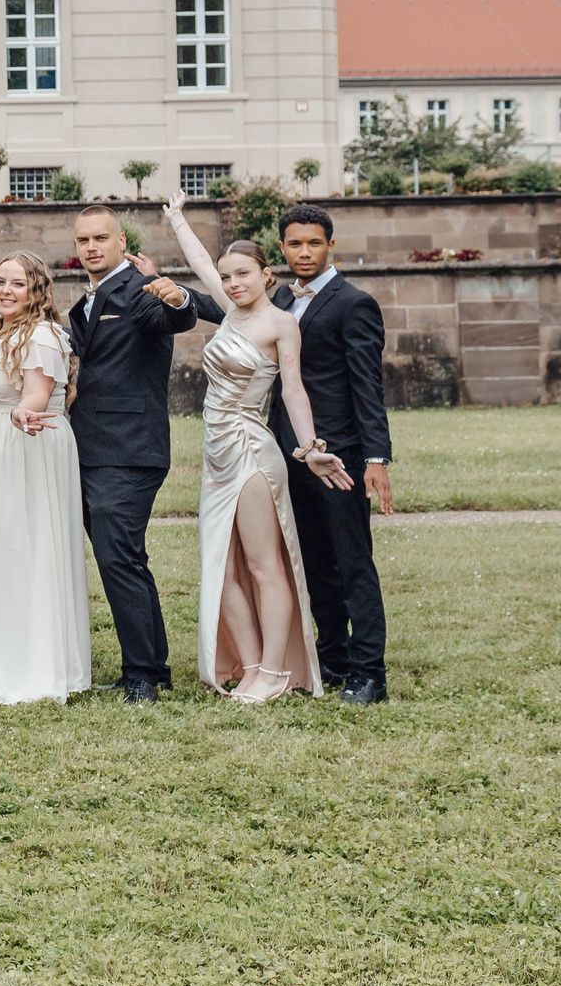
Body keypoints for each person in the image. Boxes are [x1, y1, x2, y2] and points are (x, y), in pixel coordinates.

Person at [176, 204, 394, 702]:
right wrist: (175, 279)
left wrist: (376, 457)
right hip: (281, 451)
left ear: (330, 245)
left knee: (352, 563)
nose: (304, 252)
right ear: (281, 251)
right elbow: (223, 293)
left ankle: (369, 673)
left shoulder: (353, 304)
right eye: (295, 243)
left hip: (337, 455)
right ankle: (332, 660)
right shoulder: (271, 299)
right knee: (311, 564)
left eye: (314, 243)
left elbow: (367, 387)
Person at [67, 204, 199, 703]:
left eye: (101, 238)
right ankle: (151, 667)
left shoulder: (140, 289)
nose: (91, 247)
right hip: (87, 448)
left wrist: (178, 296)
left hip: (130, 449)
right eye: (83, 240)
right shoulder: (86, 301)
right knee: (124, 558)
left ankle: (143, 675)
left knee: (117, 557)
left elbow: (174, 316)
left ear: (121, 241)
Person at [0, 250, 90, 705]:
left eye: (18, 283)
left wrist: (22, 413)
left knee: (19, 551)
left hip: (21, 449)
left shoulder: (42, 335)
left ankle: (29, 665)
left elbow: (36, 395)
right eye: (0, 282)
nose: (6, 291)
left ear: (36, 291)